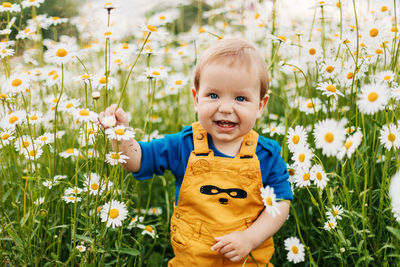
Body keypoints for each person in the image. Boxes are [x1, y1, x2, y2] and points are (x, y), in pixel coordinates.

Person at [99, 38, 293, 266]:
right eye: (213, 95)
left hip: (247, 261)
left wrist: (250, 239)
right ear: (196, 99)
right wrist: (121, 135)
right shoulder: (183, 145)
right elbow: (137, 160)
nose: (225, 107)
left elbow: (280, 203)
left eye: (240, 98)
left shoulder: (267, 155)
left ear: (260, 105)